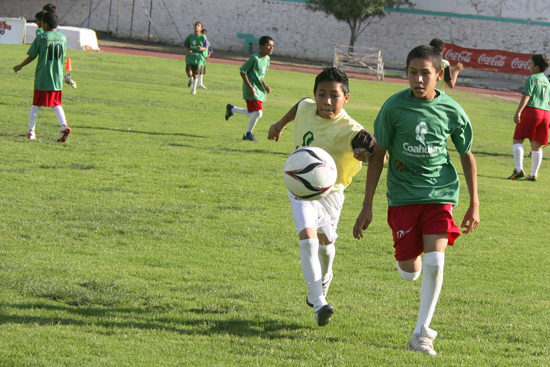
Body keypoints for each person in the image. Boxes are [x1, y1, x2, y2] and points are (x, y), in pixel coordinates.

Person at [353, 45, 479, 355]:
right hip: (403, 197)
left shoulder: (452, 110)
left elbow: (466, 155)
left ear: (439, 74)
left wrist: (475, 202)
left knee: (436, 261)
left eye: (426, 73)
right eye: (413, 72)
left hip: (440, 194)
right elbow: (378, 154)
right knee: (409, 271)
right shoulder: (393, 108)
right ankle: (413, 254)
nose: (419, 79)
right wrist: (367, 205)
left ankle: (421, 334)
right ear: (406, 73)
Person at [267, 67, 377, 326]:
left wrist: (367, 155)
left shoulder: (351, 130)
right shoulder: (307, 106)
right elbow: (299, 105)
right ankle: (319, 303)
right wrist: (278, 125)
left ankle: (325, 278)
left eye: (334, 96)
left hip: (331, 195)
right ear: (314, 95)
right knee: (307, 237)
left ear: (346, 98)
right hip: (299, 188)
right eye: (321, 94)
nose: (327, 101)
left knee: (326, 244)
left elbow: (376, 152)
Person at [13, 11, 71, 142]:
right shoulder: (62, 37)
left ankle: (31, 132)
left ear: (44, 24)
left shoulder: (41, 37)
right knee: (56, 103)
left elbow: (33, 55)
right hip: (57, 77)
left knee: (36, 105)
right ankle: (63, 126)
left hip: (43, 76)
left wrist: (20, 65)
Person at [507, 54, 550, 181]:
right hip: (546, 113)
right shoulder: (547, 81)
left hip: (532, 111)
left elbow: (527, 95)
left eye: (531, 63)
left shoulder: (532, 78)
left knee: (518, 140)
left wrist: (518, 111)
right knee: (537, 145)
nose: (529, 66)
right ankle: (533, 174)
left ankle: (519, 170)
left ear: (537, 66)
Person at [225, 36, 274, 142]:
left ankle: (232, 109)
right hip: (251, 89)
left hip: (259, 89)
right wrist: (250, 87)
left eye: (272, 46)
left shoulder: (267, 59)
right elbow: (243, 72)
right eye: (268, 45)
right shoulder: (254, 58)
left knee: (255, 113)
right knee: (258, 113)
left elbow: (260, 75)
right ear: (261, 46)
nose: (271, 48)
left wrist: (265, 86)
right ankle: (247, 134)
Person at [184, 21, 208, 95]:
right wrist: (189, 50)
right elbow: (185, 45)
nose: (196, 26)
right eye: (195, 25)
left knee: (195, 74)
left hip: (198, 59)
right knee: (189, 73)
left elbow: (206, 47)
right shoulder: (189, 37)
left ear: (201, 28)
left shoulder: (202, 37)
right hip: (190, 57)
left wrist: (201, 48)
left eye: (198, 25)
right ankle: (191, 79)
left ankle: (193, 89)